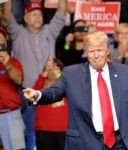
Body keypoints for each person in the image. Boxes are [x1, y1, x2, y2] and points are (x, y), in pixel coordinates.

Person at [23, 30, 128, 150]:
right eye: (91, 51)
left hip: (121, 143)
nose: (95, 56)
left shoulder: (126, 72)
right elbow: (55, 91)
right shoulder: (71, 73)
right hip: (85, 142)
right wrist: (38, 94)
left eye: (99, 50)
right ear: (85, 52)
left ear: (108, 50)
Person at [2, 0, 67, 149]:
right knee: (29, 131)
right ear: (25, 18)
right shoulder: (18, 32)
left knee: (46, 130)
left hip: (48, 92)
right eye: (33, 14)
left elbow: (62, 12)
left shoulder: (49, 31)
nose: (37, 17)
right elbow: (6, 15)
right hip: (26, 92)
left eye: (39, 14)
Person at [33, 58, 68, 150]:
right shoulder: (40, 86)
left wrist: (60, 76)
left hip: (64, 131)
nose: (53, 70)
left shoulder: (66, 85)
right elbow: (32, 97)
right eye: (50, 68)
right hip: (44, 131)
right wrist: (44, 74)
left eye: (56, 67)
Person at [0, 27, 25, 150]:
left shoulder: (13, 62)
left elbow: (19, 80)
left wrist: (7, 65)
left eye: (1, 36)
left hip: (11, 114)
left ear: (5, 41)